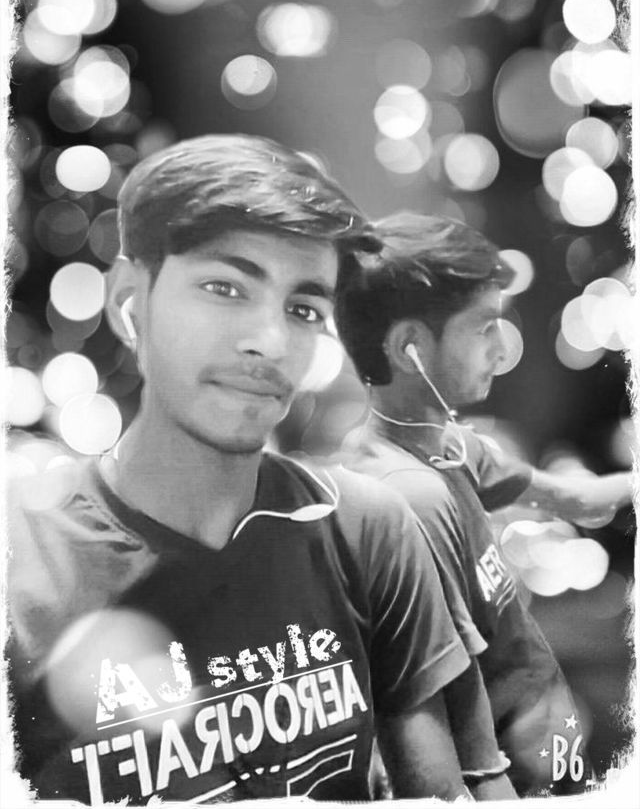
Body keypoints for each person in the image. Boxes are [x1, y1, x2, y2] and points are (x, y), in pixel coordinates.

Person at [7, 136, 514, 805]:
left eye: (304, 310)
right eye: (224, 288)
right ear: (130, 300)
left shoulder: (365, 529)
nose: (270, 343)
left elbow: (440, 795)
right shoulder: (24, 569)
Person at [335, 211, 633, 796]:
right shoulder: (406, 498)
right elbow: (443, 698)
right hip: (508, 779)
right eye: (484, 327)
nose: (501, 349)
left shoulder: (450, 446)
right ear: (410, 347)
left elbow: (582, 501)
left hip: (545, 751)